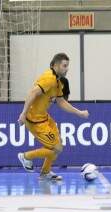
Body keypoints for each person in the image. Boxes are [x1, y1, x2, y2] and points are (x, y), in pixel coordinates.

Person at [17, 53, 89, 181]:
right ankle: (26, 156)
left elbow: (61, 102)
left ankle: (45, 173)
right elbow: (33, 92)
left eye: (68, 66)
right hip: (34, 120)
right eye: (64, 65)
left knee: (57, 146)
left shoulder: (57, 82)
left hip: (45, 117)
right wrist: (23, 113)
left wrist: (79, 113)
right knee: (56, 148)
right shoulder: (49, 78)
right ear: (55, 65)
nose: (67, 69)